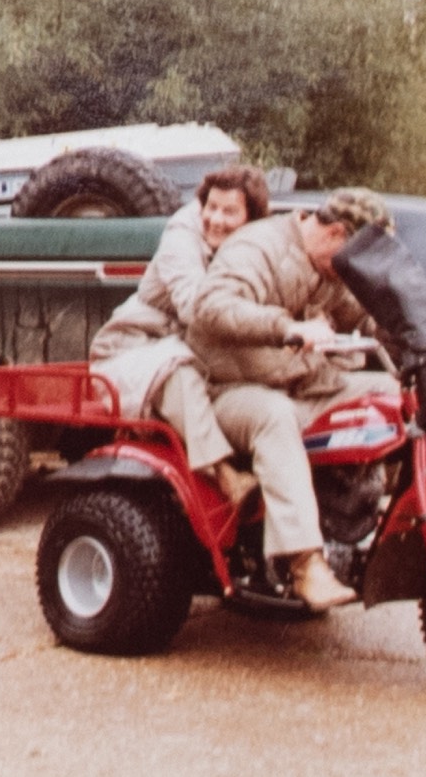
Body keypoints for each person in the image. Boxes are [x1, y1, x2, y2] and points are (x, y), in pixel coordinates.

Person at [185, 186, 400, 612]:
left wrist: (415, 329)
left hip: (297, 382)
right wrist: (285, 327)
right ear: (336, 233)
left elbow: (365, 317)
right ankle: (305, 566)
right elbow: (209, 307)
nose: (352, 271)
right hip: (226, 391)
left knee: (391, 395)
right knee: (275, 417)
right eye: (354, 257)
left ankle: (396, 519)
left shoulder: (331, 269)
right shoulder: (258, 247)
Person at [88, 165, 269, 505]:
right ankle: (225, 475)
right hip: (132, 348)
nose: (215, 219)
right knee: (178, 371)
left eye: (229, 212)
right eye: (211, 207)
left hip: (187, 347)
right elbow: (195, 308)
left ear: (251, 218)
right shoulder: (181, 238)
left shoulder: (253, 246)